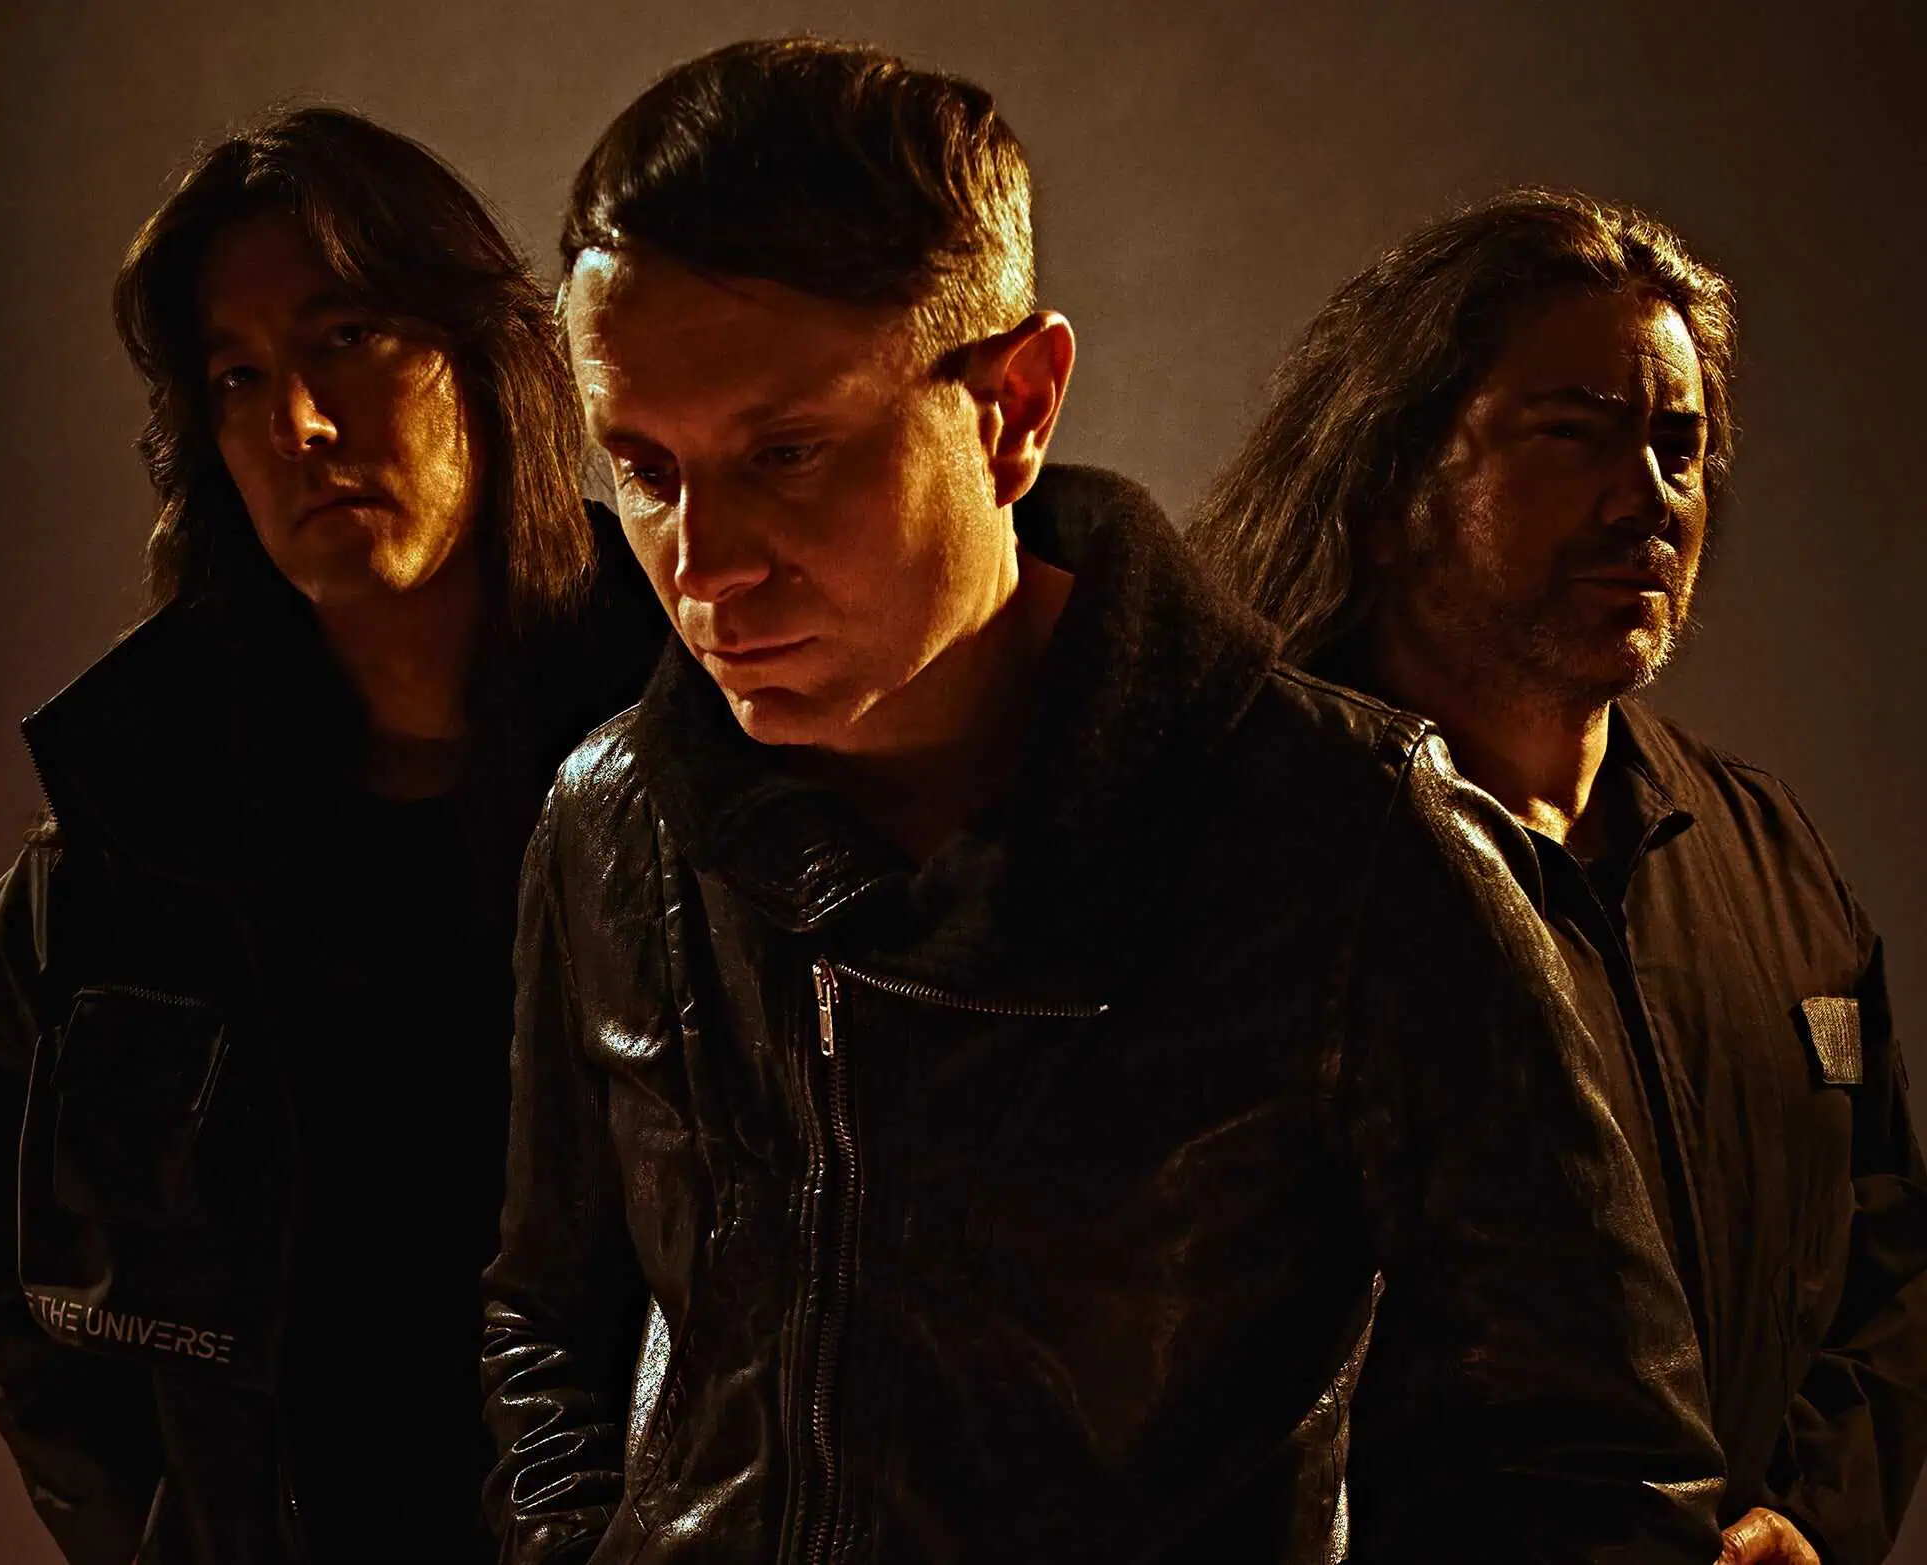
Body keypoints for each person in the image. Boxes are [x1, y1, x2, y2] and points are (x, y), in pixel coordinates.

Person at [482, 40, 1726, 1564]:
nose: (704, 564)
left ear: (1015, 408)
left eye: (788, 454)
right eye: (645, 468)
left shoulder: (1343, 842)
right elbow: (548, 1325)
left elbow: (1602, 1478)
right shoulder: (610, 819)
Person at [0, 106, 666, 1564]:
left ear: (486, 356)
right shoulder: (139, 841)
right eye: (237, 377)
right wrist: (159, 1534)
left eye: (348, 337)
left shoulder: (702, 748)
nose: (296, 423)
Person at [1188, 188, 1927, 1565]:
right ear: (1392, 484)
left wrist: (1806, 1519)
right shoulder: (1245, 863)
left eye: (1679, 447)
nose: (1648, 498)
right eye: (1574, 435)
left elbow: (1891, 1252)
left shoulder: (1767, 857)